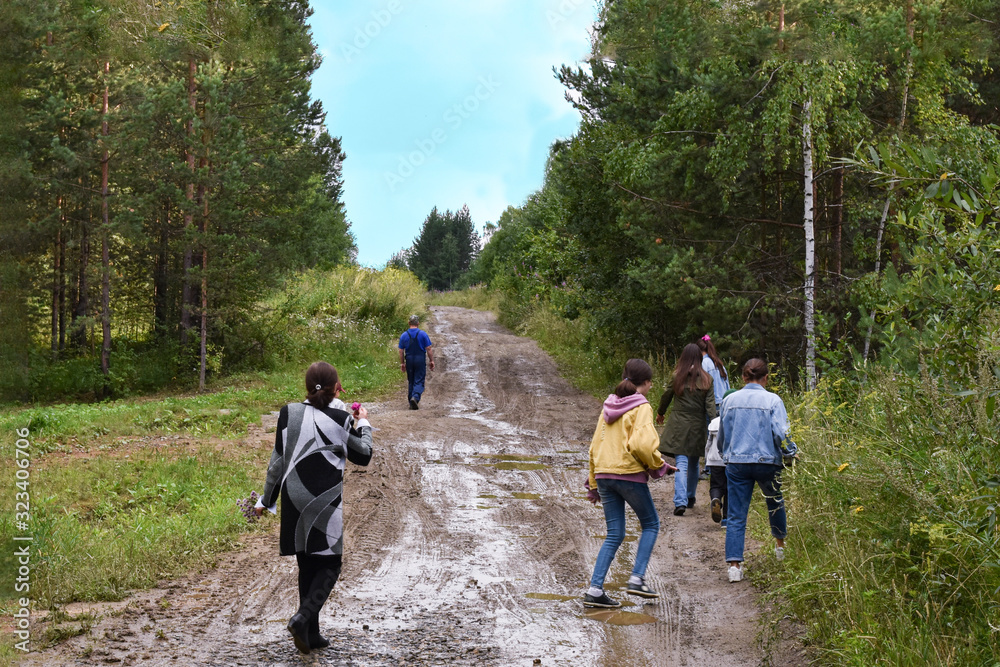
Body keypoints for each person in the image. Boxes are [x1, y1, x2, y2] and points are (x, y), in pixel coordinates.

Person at [254, 361, 374, 654]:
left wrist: (265, 501)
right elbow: (364, 454)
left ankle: (310, 634)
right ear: (336, 388)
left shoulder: (289, 413)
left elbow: (277, 463)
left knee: (306, 563)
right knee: (331, 565)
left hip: (294, 499)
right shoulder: (342, 419)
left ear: (306, 387)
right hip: (324, 502)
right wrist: (364, 423)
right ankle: (302, 619)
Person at [584, 359, 676, 609]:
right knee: (651, 524)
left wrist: (593, 481)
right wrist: (659, 466)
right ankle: (636, 579)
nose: (650, 387)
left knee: (614, 533)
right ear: (644, 383)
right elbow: (642, 445)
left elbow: (594, 447)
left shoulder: (607, 406)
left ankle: (595, 590)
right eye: (649, 383)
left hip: (604, 473)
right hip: (627, 473)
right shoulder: (641, 406)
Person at [717, 358, 797, 583]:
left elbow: (723, 433)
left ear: (743, 377)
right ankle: (780, 547)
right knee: (775, 503)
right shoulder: (773, 400)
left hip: (737, 463)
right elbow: (781, 432)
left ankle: (734, 566)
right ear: (766, 378)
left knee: (736, 513)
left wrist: (725, 454)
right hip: (767, 462)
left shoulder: (729, 400)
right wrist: (791, 451)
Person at [656, 343, 718, 516]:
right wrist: (715, 428)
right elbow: (710, 407)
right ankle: (690, 497)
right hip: (697, 424)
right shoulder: (707, 379)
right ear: (699, 357)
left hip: (679, 424)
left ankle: (680, 502)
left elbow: (666, 395)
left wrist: (660, 413)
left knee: (681, 462)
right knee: (693, 462)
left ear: (683, 357)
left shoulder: (677, 376)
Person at [398, 314, 434, 410]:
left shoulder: (404, 335)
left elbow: (401, 351)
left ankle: (411, 400)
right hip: (420, 359)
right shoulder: (422, 334)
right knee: (419, 379)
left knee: (411, 380)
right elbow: (428, 348)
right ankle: (415, 397)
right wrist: (431, 360)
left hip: (409, 359)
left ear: (409, 323)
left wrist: (402, 363)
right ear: (418, 323)